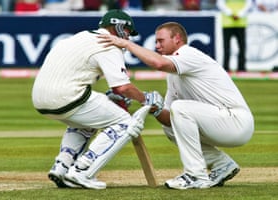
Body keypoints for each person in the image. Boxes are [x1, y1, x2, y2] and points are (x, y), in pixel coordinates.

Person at [98, 22, 254, 189]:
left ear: (177, 38)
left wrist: (127, 43)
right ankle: (221, 164)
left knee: (179, 108)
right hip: (222, 123)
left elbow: (159, 64)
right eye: (156, 41)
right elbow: (168, 119)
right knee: (171, 124)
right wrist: (149, 104)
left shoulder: (189, 54)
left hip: (236, 122)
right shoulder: (172, 75)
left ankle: (195, 175)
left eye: (161, 41)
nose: (157, 46)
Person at [31, 9, 163, 189]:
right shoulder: (108, 44)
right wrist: (145, 98)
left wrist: (114, 96)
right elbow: (122, 87)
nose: (128, 40)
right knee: (126, 123)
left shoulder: (79, 37)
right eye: (128, 33)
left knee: (87, 119)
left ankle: (62, 166)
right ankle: (82, 171)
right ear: (119, 28)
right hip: (66, 96)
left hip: (40, 98)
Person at [216, 0, 253, 72]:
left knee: (242, 47)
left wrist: (239, 14)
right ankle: (226, 67)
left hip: (240, 23)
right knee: (227, 47)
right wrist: (232, 14)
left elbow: (249, 4)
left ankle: (241, 68)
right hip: (228, 23)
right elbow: (220, 3)